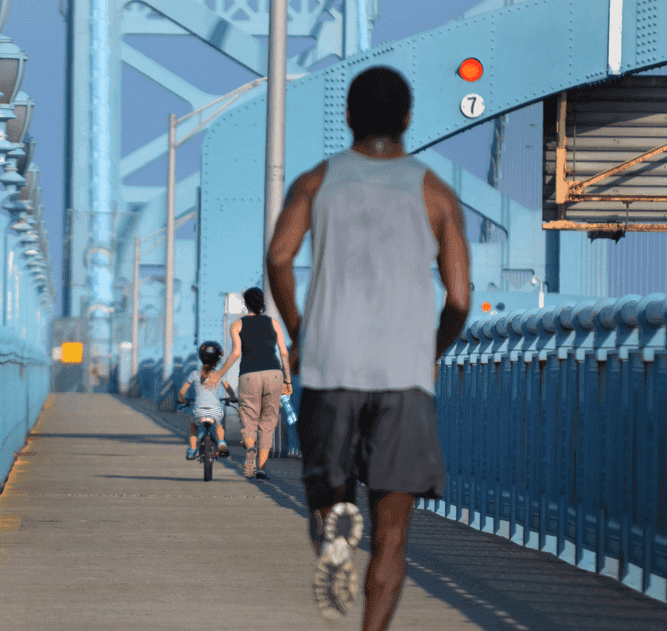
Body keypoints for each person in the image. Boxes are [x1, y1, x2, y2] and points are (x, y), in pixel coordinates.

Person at [266, 66, 471, 628]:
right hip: (405, 379)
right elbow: (458, 298)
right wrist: (432, 349)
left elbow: (280, 256)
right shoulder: (437, 193)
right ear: (407, 119)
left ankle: (335, 557)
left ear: (350, 116)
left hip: (331, 369)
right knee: (393, 535)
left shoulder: (315, 183)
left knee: (330, 510)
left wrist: (300, 328)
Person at [205, 287, 293, 480]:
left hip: (250, 374)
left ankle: (250, 447)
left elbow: (236, 353)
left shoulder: (237, 325)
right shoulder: (274, 323)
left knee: (249, 418)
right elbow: (284, 352)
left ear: (246, 305)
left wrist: (219, 374)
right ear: (262, 304)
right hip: (274, 373)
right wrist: (287, 379)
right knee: (268, 422)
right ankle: (261, 468)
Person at [178, 341, 236, 460]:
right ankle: (221, 442)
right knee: (218, 424)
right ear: (218, 359)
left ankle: (192, 450)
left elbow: (182, 392)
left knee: (193, 425)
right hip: (215, 411)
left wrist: (182, 400)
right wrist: (232, 397)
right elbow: (229, 390)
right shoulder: (218, 375)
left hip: (199, 412)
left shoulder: (194, 374)